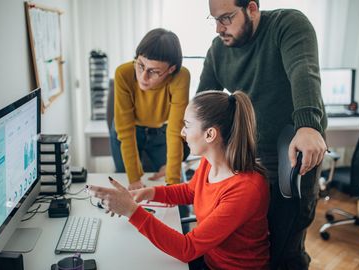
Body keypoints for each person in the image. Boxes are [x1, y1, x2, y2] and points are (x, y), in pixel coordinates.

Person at [197, 0, 327, 269]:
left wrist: (308, 125)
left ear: (252, 9)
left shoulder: (287, 25)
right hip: (246, 157)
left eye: (227, 18)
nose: (219, 28)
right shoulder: (218, 49)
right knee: (249, 244)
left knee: (285, 246)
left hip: (290, 152)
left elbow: (304, 71)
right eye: (215, 20)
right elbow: (203, 102)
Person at [89, 91, 270, 269]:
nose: (182, 132)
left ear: (210, 135)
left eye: (187, 125)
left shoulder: (246, 189)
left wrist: (131, 211)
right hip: (210, 259)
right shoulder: (210, 164)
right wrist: (148, 193)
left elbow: (187, 249)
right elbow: (190, 191)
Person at [109, 28, 190, 190]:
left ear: (171, 69)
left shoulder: (181, 77)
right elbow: (125, 131)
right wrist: (134, 179)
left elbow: (175, 131)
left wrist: (172, 184)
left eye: (153, 71)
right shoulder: (123, 73)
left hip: (162, 131)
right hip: (127, 129)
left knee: (174, 181)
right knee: (126, 183)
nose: (143, 77)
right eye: (140, 65)